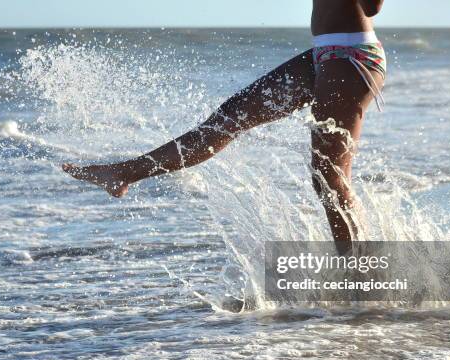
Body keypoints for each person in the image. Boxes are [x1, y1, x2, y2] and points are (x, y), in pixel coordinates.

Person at [63, 0, 386, 243]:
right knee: (225, 121)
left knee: (329, 177)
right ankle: (124, 173)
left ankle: (363, 280)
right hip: (323, 53)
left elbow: (372, 6)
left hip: (352, 57)